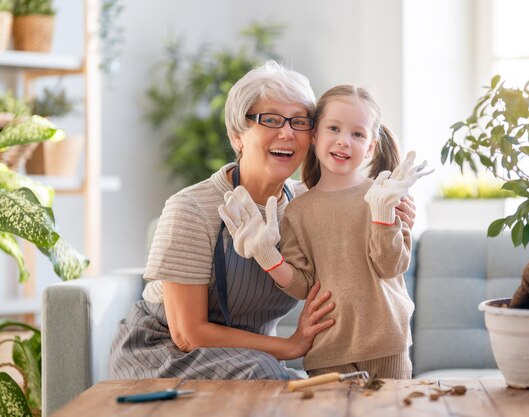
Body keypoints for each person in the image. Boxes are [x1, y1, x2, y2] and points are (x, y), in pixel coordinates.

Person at [109, 63, 416, 381]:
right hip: (166, 353)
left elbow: (359, 224)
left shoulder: (304, 206)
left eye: (298, 122)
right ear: (237, 135)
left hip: (253, 359)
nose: (287, 133)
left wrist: (394, 214)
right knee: (276, 381)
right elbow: (188, 334)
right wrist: (291, 346)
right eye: (270, 119)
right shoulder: (191, 209)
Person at [219, 85, 432, 379]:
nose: (344, 141)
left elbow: (390, 266)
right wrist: (268, 257)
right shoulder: (298, 210)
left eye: (358, 134)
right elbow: (303, 286)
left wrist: (383, 215)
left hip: (387, 344)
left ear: (370, 146)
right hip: (327, 349)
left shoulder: (385, 196)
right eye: (334, 128)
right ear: (315, 136)